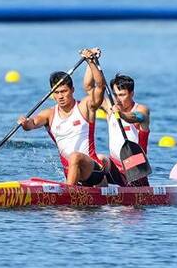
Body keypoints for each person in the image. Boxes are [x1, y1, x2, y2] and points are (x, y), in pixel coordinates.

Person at [18, 48, 110, 186]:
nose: (60, 96)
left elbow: (100, 87)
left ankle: (68, 194)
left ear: (72, 90)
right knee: (73, 159)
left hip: (92, 170)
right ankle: (71, 190)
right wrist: (25, 123)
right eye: (56, 92)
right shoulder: (49, 114)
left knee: (75, 156)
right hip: (70, 171)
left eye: (64, 91)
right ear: (52, 94)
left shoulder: (85, 107)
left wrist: (91, 62)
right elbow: (32, 124)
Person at [84, 69, 150, 186]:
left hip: (136, 167)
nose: (118, 99)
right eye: (115, 95)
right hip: (114, 166)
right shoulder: (110, 105)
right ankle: (99, 194)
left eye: (122, 95)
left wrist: (121, 115)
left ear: (132, 93)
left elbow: (135, 117)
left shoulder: (142, 110)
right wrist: (91, 63)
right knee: (99, 160)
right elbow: (90, 88)